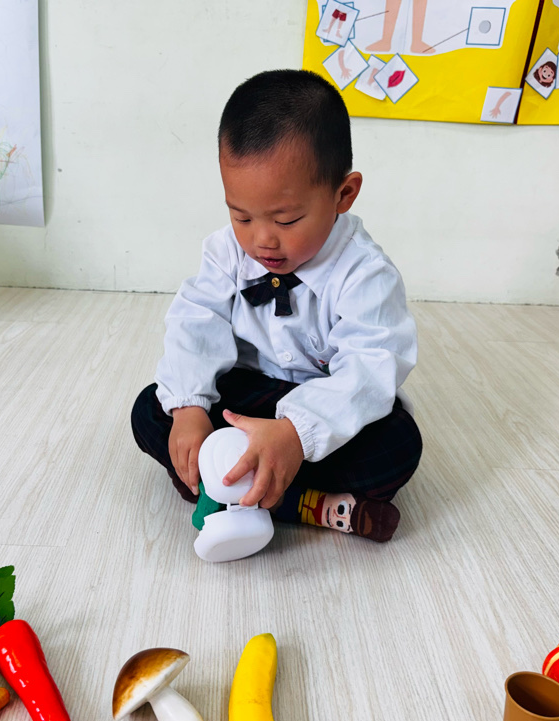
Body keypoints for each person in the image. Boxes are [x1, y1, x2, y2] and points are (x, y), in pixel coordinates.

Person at [130, 69, 422, 545]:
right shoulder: (226, 252)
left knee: (397, 446)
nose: (261, 239)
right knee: (151, 410)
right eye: (241, 216)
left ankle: (232, 489)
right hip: (250, 395)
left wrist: (295, 434)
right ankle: (309, 503)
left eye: (286, 220)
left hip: (320, 407)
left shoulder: (365, 273)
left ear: (343, 194)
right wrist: (189, 409)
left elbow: (370, 368)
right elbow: (196, 322)